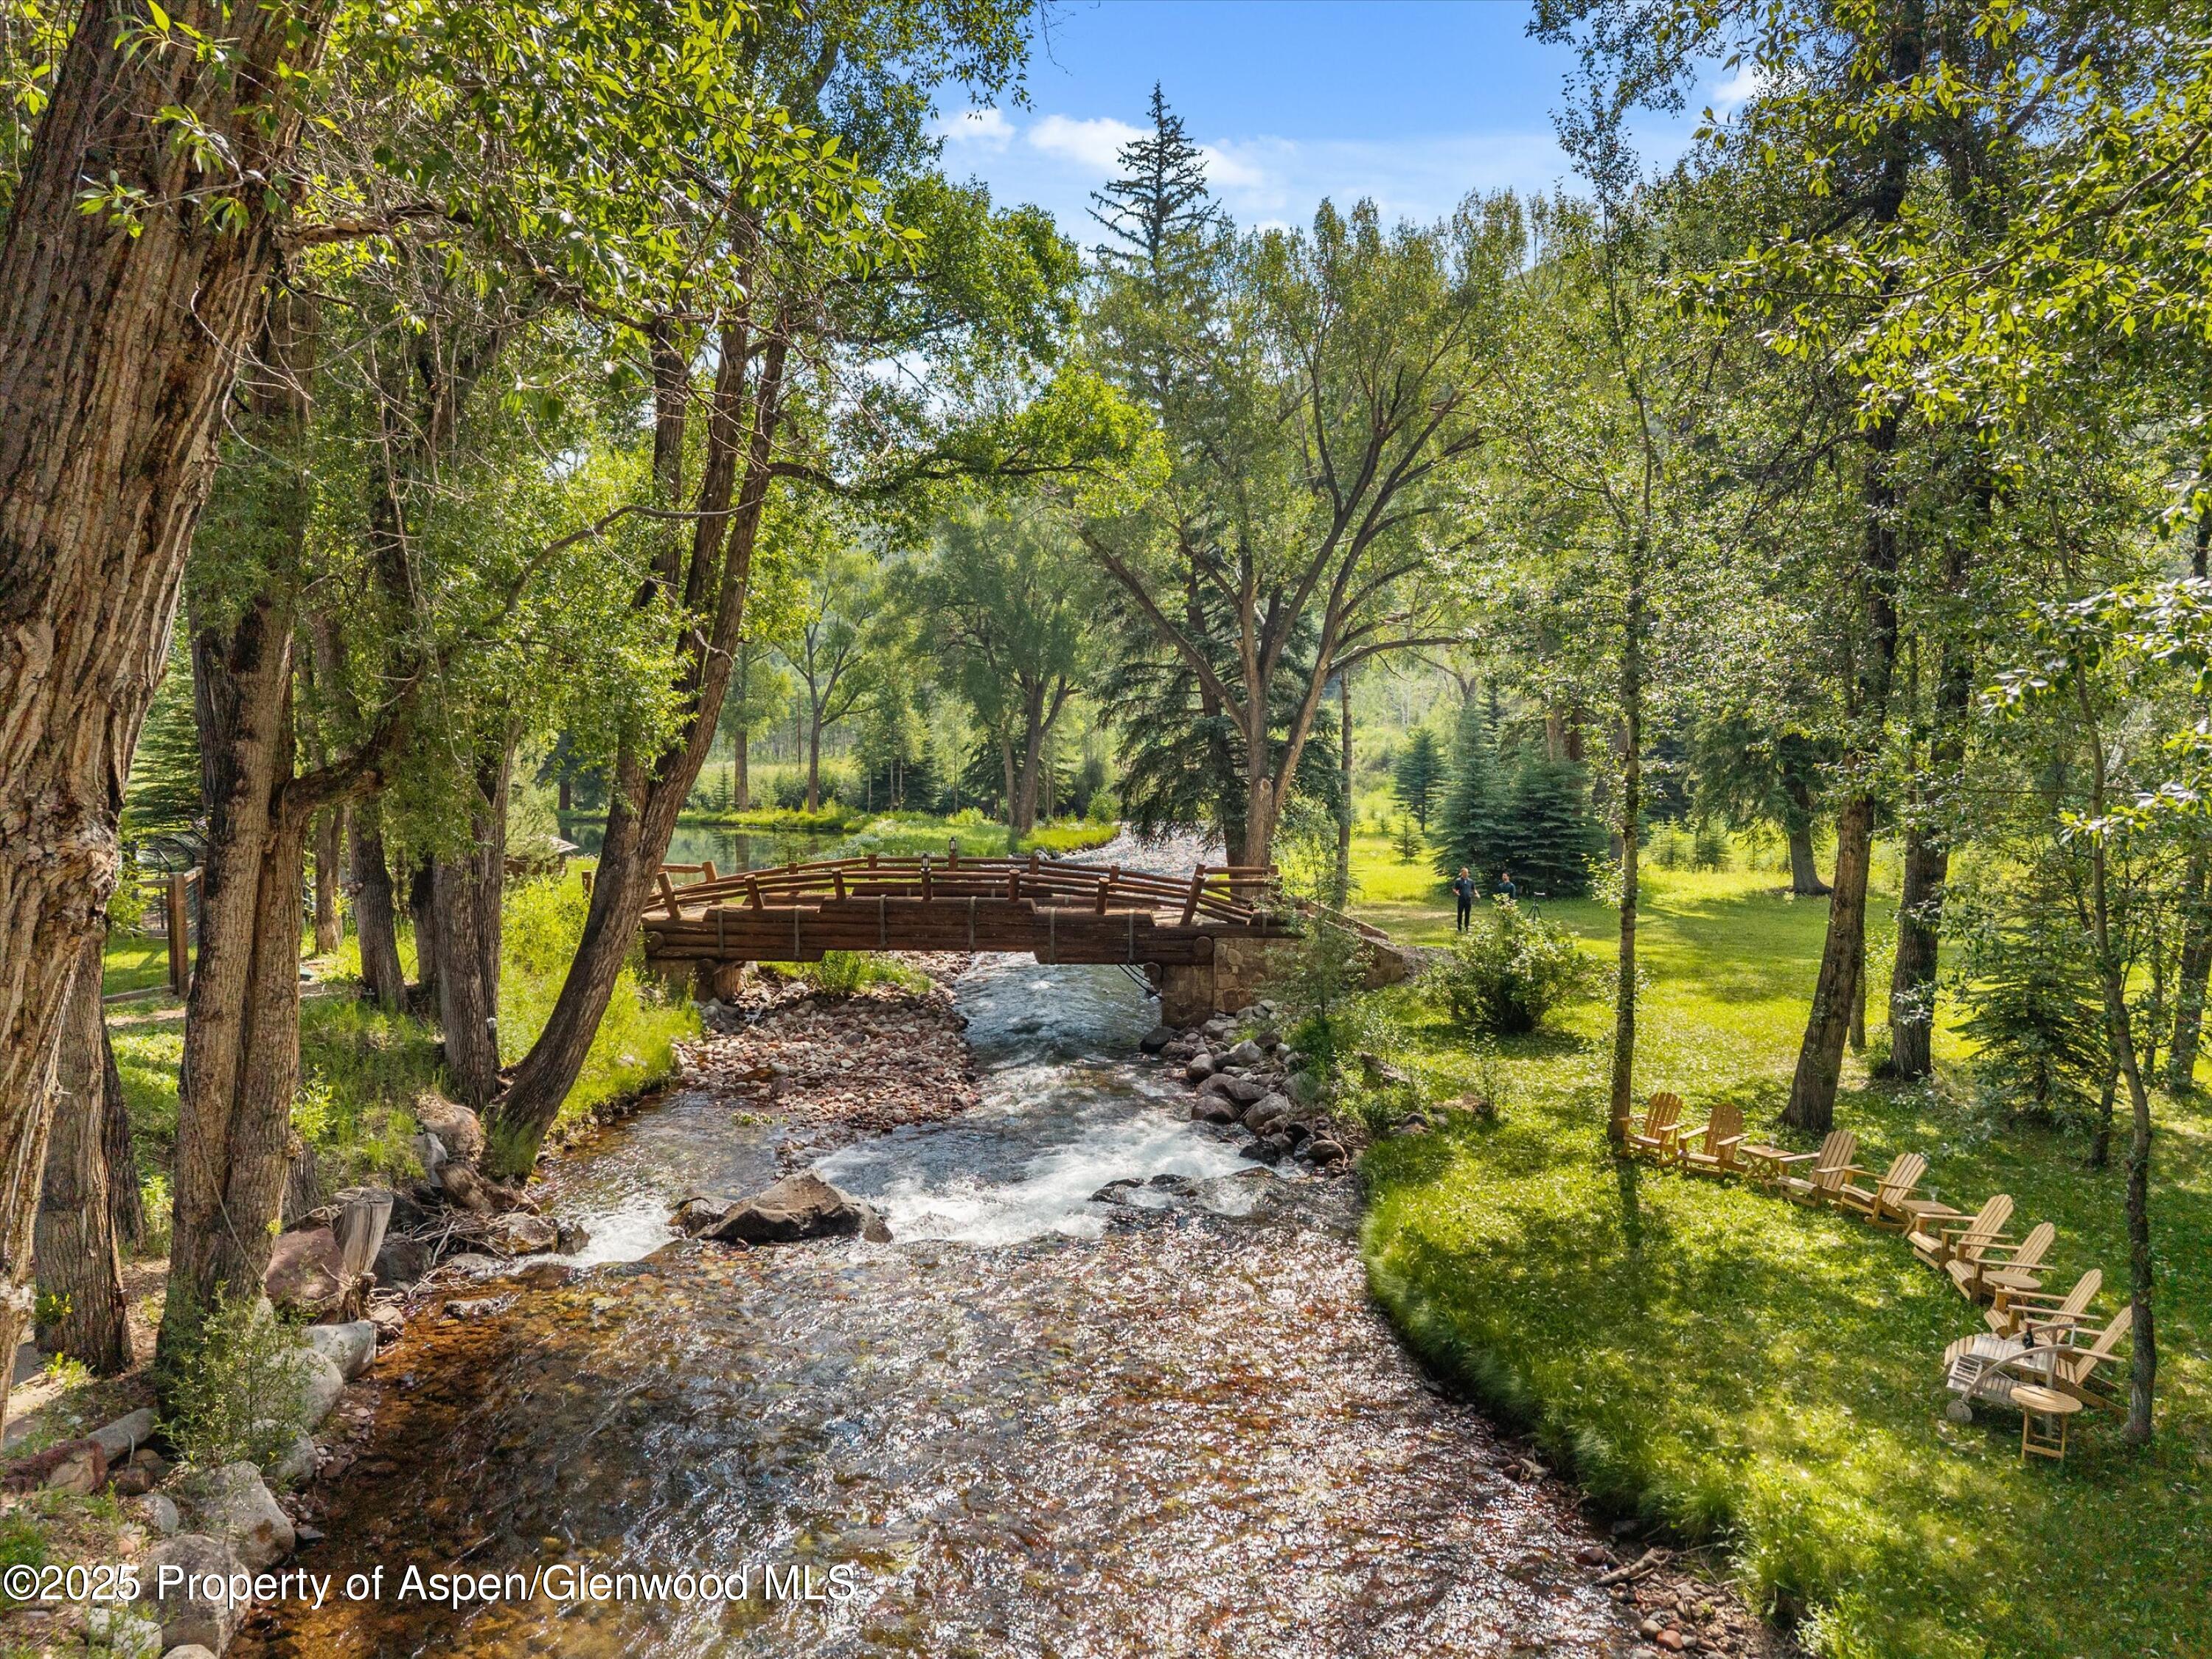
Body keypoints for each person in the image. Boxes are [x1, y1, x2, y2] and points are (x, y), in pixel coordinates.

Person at [1451, 866, 1475, 932]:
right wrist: (1456, 892)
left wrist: (1476, 894)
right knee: (1460, 913)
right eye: (1464, 873)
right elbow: (1454, 889)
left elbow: (1473, 889)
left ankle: (1467, 927)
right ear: (1462, 873)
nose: (1466, 874)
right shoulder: (1458, 881)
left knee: (1468, 914)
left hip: (1468, 900)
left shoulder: (1471, 881)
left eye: (1467, 873)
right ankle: (1459, 927)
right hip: (1461, 899)